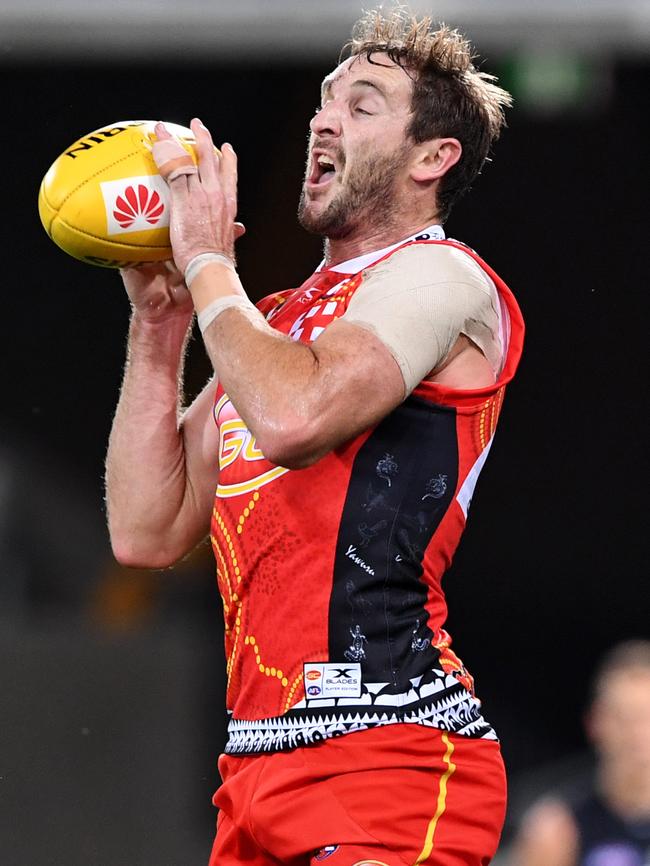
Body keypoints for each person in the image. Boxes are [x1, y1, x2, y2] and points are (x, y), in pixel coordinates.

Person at [105, 7, 524, 865]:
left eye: (362, 105)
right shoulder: (273, 329)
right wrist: (161, 329)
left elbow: (296, 419)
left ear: (431, 158)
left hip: (390, 755)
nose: (322, 118)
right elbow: (145, 530)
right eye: (324, 101)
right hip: (253, 772)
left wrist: (207, 262)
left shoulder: (443, 278)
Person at [510, 640, 650, 866]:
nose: (638, 735)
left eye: (646, 717)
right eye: (624, 719)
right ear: (595, 724)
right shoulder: (557, 831)